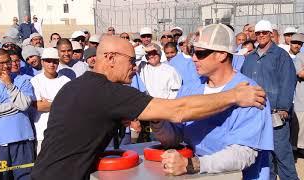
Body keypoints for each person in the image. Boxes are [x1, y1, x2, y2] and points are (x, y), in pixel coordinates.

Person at [31, 36, 267, 180]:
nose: (135, 68)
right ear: (111, 58)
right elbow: (179, 110)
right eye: (131, 61)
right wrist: (234, 96)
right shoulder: (109, 93)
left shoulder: (75, 87)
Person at [152, 23, 273, 179]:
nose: (194, 58)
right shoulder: (191, 89)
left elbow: (243, 154)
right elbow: (175, 136)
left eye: (201, 53)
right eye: (193, 52)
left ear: (222, 54)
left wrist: (193, 164)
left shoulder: (250, 93)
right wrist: (157, 122)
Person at [241, 20, 299, 180]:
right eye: (258, 33)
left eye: (264, 33)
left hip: (275, 113)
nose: (261, 36)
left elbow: (288, 81)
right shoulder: (250, 58)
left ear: (271, 34)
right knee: (265, 157)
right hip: (255, 113)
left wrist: (283, 108)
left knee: (282, 155)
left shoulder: (281, 55)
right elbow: (244, 82)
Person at [0, 49, 35, 180]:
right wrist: (15, 106)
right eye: (0, 63)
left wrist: (9, 85)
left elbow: (24, 105)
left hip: (23, 138)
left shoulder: (23, 80)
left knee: (26, 177)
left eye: (7, 61)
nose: (5, 66)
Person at [31, 48, 70, 154]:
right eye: (48, 61)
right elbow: (38, 106)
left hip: (61, 130)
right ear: (42, 62)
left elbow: (69, 106)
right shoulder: (35, 81)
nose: (52, 64)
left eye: (55, 61)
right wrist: (59, 103)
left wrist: (48, 103)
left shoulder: (66, 81)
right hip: (41, 131)